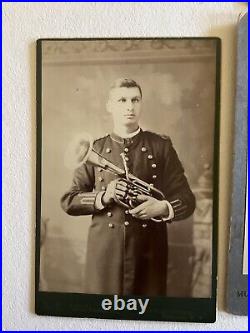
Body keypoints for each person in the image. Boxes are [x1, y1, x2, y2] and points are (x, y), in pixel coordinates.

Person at [61, 78, 196, 296]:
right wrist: (104, 196)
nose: (129, 106)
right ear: (110, 106)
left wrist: (162, 207)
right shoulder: (95, 148)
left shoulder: (161, 146)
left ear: (141, 103)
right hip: (105, 254)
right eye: (122, 100)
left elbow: (187, 200)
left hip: (149, 252)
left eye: (135, 100)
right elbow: (69, 200)